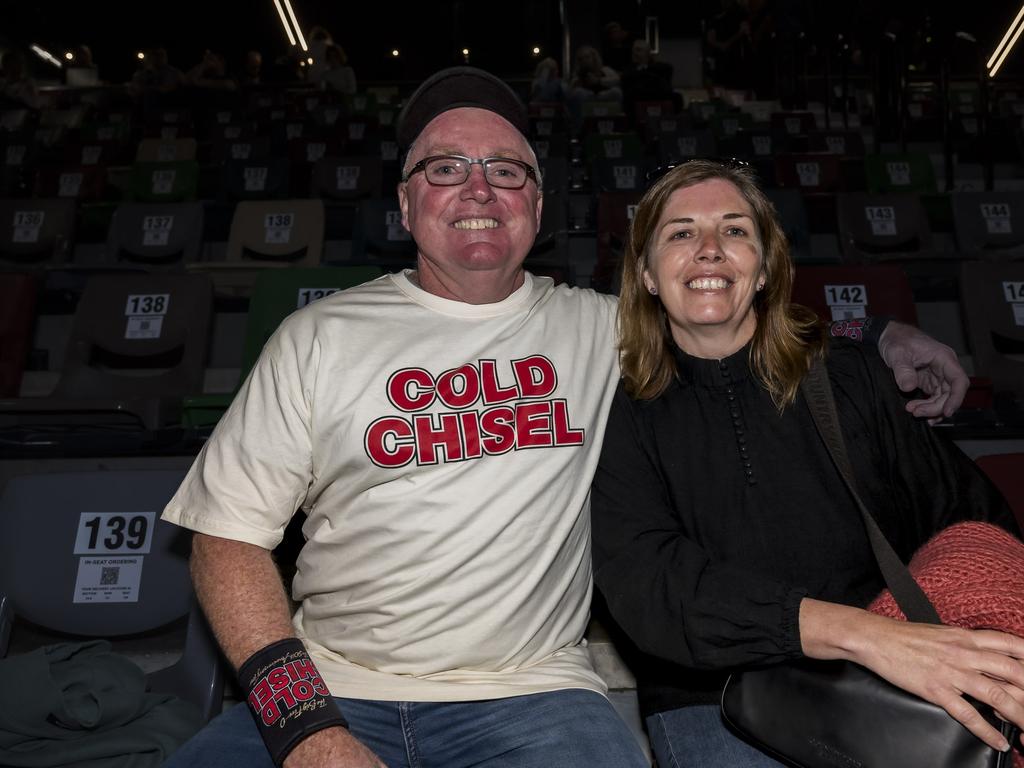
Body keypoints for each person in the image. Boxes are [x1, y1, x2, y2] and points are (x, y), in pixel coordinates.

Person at [160, 66, 972, 768]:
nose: (479, 188)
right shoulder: (317, 338)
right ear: (406, 206)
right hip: (334, 685)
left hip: (534, 701)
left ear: (537, 208)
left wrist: (881, 332)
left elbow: (721, 300)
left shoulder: (599, 325)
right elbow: (225, 539)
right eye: (447, 168)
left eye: (507, 171)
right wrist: (305, 727)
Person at [590, 159, 1024, 767]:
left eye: (735, 230)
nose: (710, 250)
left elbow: (969, 515)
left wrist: (976, 631)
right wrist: (867, 636)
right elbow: (655, 589)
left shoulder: (850, 377)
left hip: (882, 690)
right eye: (682, 232)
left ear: (765, 269)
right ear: (647, 275)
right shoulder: (617, 408)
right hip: (710, 697)